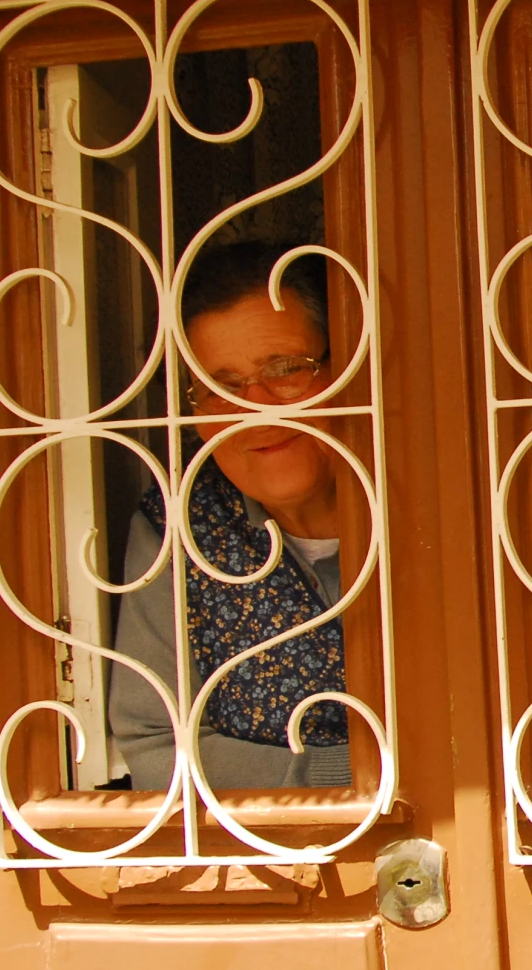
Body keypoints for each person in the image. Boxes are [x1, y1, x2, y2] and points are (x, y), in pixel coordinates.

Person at [109, 241, 352, 791]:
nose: (254, 406)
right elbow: (156, 744)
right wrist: (343, 777)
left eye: (286, 369)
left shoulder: (454, 498)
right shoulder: (178, 522)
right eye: (221, 385)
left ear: (349, 372)